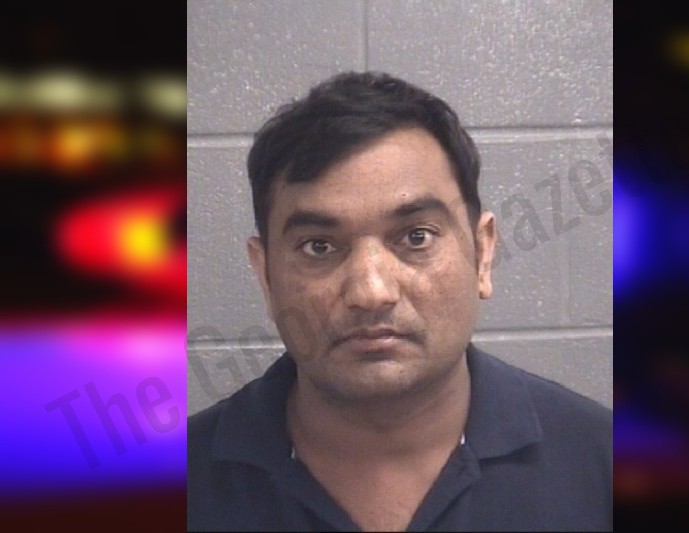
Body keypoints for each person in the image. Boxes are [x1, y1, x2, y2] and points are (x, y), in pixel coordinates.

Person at [187, 71, 612, 531]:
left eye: (416, 237)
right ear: (266, 275)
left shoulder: (604, 463)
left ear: (482, 253)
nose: (371, 292)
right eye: (319, 246)